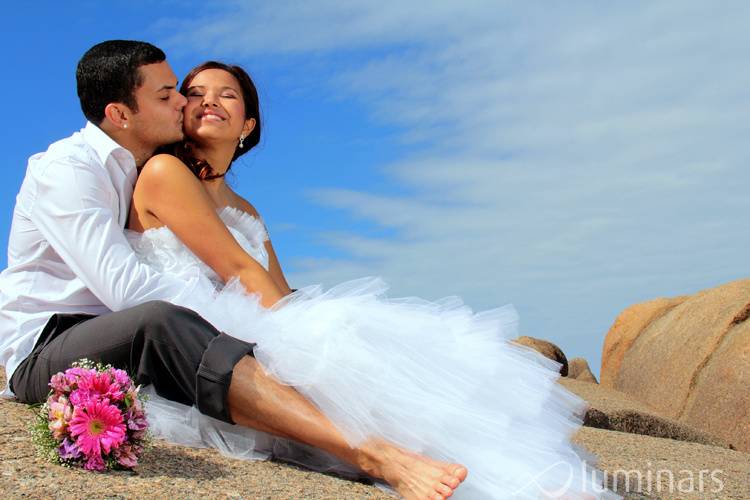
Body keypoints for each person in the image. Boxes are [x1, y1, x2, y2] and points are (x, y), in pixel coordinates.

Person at [123, 60, 621, 499]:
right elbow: (236, 269)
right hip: (198, 334)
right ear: (179, 112)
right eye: (195, 93)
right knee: (338, 344)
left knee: (387, 357)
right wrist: (300, 330)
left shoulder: (246, 208)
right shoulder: (166, 170)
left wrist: (303, 322)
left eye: (226, 94)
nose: (208, 101)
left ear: (248, 125)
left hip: (254, 314)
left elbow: (275, 282)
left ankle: (508, 476)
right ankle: (471, 472)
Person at [0, 41, 473, 500]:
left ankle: (413, 440)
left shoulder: (135, 168)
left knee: (327, 339)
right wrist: (238, 320)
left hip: (116, 340)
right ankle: (372, 453)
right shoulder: (67, 170)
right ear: (121, 115)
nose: (183, 103)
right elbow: (126, 289)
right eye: (167, 96)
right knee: (160, 319)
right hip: (49, 345)